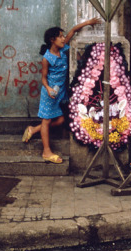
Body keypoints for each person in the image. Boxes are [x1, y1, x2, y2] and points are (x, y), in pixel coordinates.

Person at [22, 17, 102, 164]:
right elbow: (43, 78)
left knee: (62, 119)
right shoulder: (47, 58)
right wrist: (48, 88)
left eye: (62, 36)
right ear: (53, 40)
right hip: (50, 93)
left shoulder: (63, 48)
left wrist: (88, 23)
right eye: (60, 36)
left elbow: (72, 31)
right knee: (46, 121)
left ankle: (33, 130)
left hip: (62, 92)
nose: (63, 38)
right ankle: (46, 151)